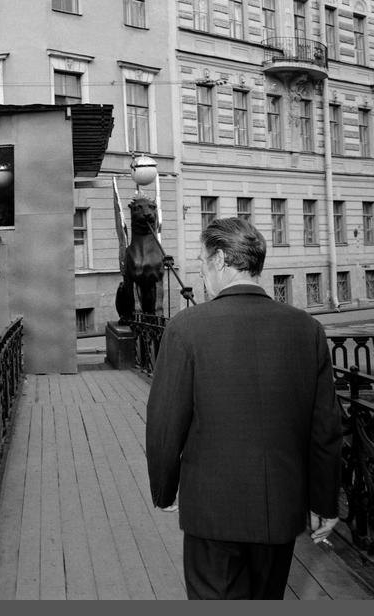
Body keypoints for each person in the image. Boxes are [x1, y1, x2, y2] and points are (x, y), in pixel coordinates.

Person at [145, 216, 343, 599]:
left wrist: (165, 490)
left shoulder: (187, 328)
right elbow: (325, 428)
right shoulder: (306, 329)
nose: (202, 275)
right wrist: (323, 501)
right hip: (281, 512)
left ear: (219, 260)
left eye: (202, 263)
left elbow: (165, 423)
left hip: (213, 514)